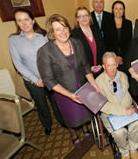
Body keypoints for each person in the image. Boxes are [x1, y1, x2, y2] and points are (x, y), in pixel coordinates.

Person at [37, 14, 100, 147]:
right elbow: (48, 79)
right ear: (52, 33)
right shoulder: (45, 51)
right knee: (70, 116)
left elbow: (85, 66)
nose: (63, 32)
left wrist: (93, 83)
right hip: (64, 91)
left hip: (83, 86)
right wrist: (70, 95)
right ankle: (73, 134)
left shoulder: (77, 43)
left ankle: (85, 129)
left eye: (64, 27)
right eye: (57, 29)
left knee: (85, 112)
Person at [9, 8, 64, 136]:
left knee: (56, 102)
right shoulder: (13, 40)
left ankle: (61, 120)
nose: (24, 23)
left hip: (50, 77)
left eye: (26, 19)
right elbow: (18, 64)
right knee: (41, 105)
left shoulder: (44, 35)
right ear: (17, 23)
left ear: (33, 20)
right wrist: (35, 79)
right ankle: (47, 125)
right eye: (19, 21)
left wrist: (49, 76)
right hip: (33, 81)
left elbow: (53, 56)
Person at [96, 52, 138, 159]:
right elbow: (102, 105)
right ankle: (125, 151)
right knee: (119, 132)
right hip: (109, 113)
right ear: (103, 66)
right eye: (108, 65)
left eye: (114, 64)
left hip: (126, 108)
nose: (112, 68)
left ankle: (133, 148)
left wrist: (128, 108)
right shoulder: (98, 82)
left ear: (117, 64)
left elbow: (127, 94)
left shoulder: (123, 75)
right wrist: (122, 111)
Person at [71, 7, 105, 77]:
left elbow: (103, 49)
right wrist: (89, 68)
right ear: (77, 19)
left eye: (86, 15)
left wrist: (101, 64)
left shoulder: (97, 31)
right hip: (84, 73)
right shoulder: (73, 34)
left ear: (89, 17)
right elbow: (75, 57)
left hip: (100, 70)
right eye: (80, 16)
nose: (84, 18)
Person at [104, 0, 132, 71]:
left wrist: (121, 57)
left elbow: (129, 42)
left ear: (123, 10)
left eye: (121, 9)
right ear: (113, 10)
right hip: (111, 57)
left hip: (125, 57)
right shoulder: (107, 23)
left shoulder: (128, 23)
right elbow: (106, 42)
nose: (118, 11)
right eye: (116, 8)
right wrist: (115, 57)